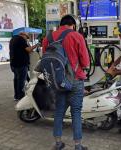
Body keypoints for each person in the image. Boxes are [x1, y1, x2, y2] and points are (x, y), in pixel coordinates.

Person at [42, 14, 90, 150]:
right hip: (75, 80)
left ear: (60, 24)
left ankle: (58, 143)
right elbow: (85, 62)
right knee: (76, 112)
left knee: (59, 111)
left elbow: (46, 59)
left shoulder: (48, 38)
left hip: (57, 81)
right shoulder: (76, 36)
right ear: (73, 25)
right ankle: (78, 146)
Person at [9, 32, 38, 101]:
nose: (27, 39)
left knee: (16, 80)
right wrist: (36, 45)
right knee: (21, 81)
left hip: (13, 63)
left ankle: (16, 96)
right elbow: (28, 49)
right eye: (27, 37)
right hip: (21, 64)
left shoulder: (13, 39)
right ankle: (21, 98)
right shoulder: (21, 39)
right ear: (23, 35)